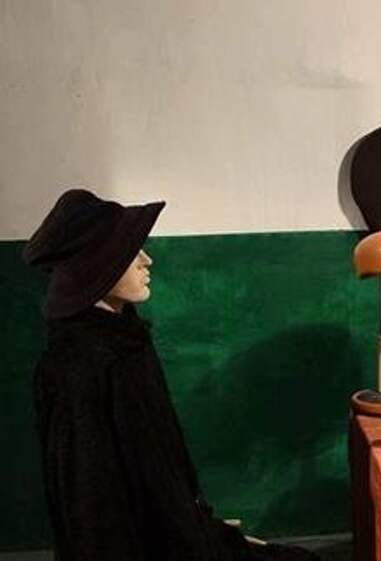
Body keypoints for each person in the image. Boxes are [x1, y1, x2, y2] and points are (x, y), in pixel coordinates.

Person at [23, 189, 318, 561]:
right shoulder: (76, 368)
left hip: (179, 536)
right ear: (98, 265)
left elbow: (163, 472)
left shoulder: (127, 340)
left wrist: (205, 531)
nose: (147, 260)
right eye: (132, 252)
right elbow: (88, 508)